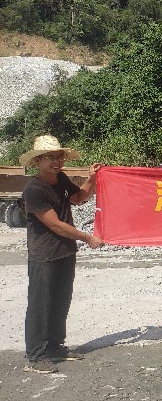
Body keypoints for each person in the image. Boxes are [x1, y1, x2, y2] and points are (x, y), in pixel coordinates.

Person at [18, 135, 103, 373]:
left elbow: (80, 197)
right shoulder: (34, 189)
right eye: (50, 158)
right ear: (37, 161)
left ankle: (55, 347)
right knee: (40, 304)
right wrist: (87, 237)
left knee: (60, 301)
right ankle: (35, 356)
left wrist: (92, 178)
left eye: (59, 157)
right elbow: (54, 225)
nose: (56, 162)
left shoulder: (61, 179)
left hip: (65, 251)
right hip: (44, 255)